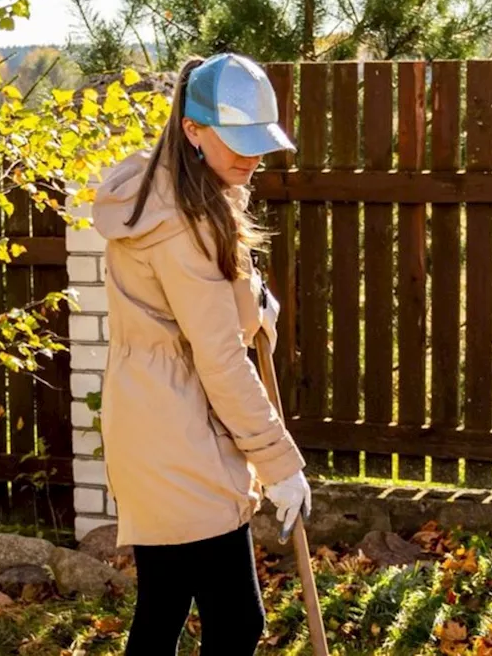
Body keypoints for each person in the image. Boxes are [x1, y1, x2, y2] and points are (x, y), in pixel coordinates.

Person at [92, 52, 311, 655]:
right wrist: (279, 463)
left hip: (157, 419)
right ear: (192, 129)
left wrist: (252, 304)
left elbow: (196, 312)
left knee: (162, 611)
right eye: (237, 140)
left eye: (258, 140)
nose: (252, 155)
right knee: (236, 621)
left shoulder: (175, 191)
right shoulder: (182, 221)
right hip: (179, 434)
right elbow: (217, 357)